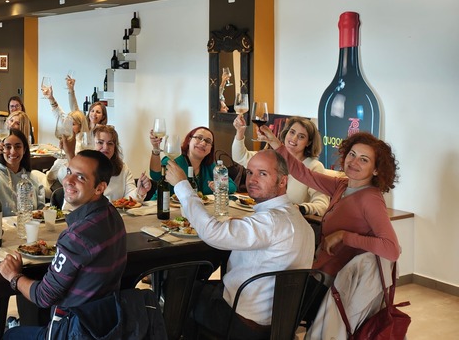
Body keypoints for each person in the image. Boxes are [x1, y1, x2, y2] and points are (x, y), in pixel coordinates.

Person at [165, 149, 315, 339]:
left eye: (263, 173)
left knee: (177, 287)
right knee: (202, 287)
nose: (252, 179)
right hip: (280, 325)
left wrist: (181, 185)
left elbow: (213, 233)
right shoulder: (303, 224)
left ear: (283, 181)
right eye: (250, 172)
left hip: (241, 323)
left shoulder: (271, 221)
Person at [0, 150, 128, 340]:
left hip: (74, 329)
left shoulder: (77, 236)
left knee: (12, 335)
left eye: (80, 177)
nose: (68, 180)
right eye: (69, 172)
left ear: (99, 188)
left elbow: (43, 296)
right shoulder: (112, 214)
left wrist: (14, 276)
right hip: (104, 321)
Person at [260, 127, 400, 280]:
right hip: (322, 269)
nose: (353, 162)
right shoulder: (343, 185)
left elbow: (391, 249)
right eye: (352, 154)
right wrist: (277, 145)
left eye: (364, 159)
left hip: (338, 283)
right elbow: (304, 174)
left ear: (376, 170)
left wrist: (343, 236)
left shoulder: (371, 199)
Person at [232, 115, 329, 216]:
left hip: (291, 221)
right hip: (262, 216)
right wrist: (240, 131)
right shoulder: (273, 158)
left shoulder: (314, 166)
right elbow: (239, 156)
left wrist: (300, 208)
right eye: (292, 132)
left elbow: (322, 205)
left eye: (301, 136)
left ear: (308, 142)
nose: (294, 138)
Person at [149, 126, 236, 196]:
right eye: (199, 138)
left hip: (195, 211)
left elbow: (232, 186)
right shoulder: (173, 160)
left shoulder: (211, 166)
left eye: (208, 141)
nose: (203, 143)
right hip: (165, 209)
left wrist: (218, 187)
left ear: (211, 149)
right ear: (189, 141)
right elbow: (156, 176)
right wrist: (156, 148)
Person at [0, 128, 46, 216]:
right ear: (1, 149)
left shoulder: (33, 179)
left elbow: (40, 211)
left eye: (18, 147)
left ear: (24, 150)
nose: (13, 152)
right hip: (0, 227)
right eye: (8, 147)